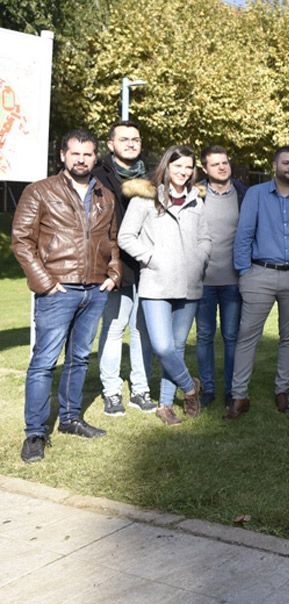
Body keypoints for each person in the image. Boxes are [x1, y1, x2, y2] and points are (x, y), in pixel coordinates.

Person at [12, 129, 121, 461]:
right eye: (75, 153)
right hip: (58, 289)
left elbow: (112, 240)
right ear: (62, 155)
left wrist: (114, 273)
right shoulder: (40, 191)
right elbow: (21, 240)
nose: (81, 159)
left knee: (78, 358)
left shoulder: (105, 195)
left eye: (87, 154)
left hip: (95, 289)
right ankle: (35, 433)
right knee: (44, 362)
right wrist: (45, 282)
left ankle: (71, 418)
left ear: (94, 157)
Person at [225, 145, 289, 419]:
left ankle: (282, 390)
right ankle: (239, 395)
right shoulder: (256, 195)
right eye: (286, 163)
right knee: (247, 337)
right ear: (275, 166)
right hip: (259, 274)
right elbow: (243, 235)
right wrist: (245, 272)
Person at [118, 145, 209, 425]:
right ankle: (191, 387)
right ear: (166, 167)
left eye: (188, 167)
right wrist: (151, 258)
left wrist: (200, 258)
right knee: (162, 346)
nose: (183, 172)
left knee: (178, 345)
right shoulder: (145, 198)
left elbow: (206, 238)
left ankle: (165, 405)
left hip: (190, 285)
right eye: (178, 166)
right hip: (156, 284)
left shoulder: (197, 201)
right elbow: (126, 236)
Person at [93, 120, 155, 416]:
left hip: (149, 264)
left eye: (136, 139)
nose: (131, 143)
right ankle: (112, 391)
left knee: (143, 329)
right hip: (114, 263)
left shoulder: (154, 175)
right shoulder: (99, 176)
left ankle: (141, 389)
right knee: (115, 327)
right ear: (111, 144)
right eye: (125, 139)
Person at [195, 145, 247, 408]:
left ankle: (231, 389)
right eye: (215, 164)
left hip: (233, 281)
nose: (222, 167)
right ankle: (208, 389)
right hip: (202, 281)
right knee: (204, 336)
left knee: (231, 337)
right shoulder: (196, 194)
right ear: (205, 168)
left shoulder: (242, 193)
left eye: (225, 162)